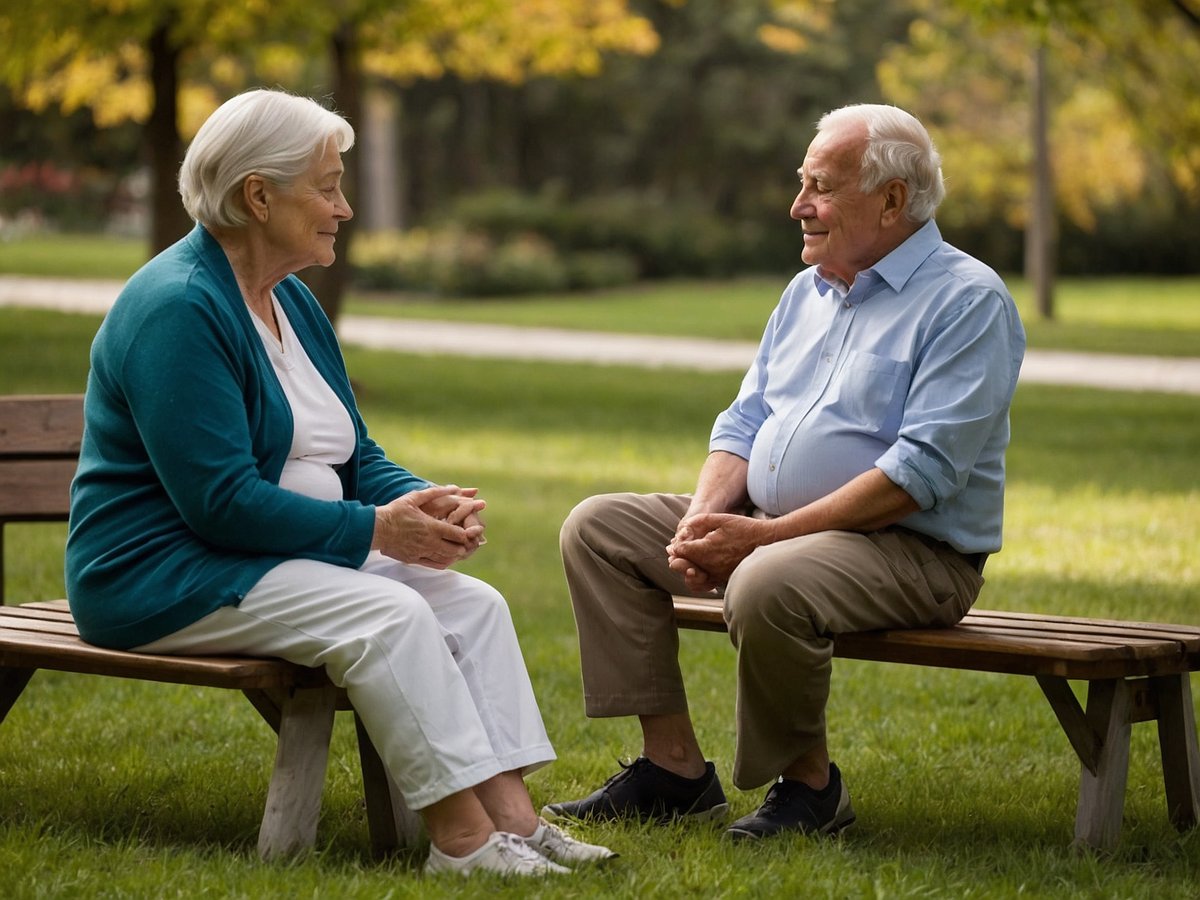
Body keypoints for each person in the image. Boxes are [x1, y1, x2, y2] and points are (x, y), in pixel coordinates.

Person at [65, 88, 613, 878]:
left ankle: (516, 823)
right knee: (389, 615)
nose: (344, 208)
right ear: (259, 196)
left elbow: (351, 454)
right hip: (163, 573)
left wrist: (421, 499)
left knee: (473, 605)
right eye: (326, 187)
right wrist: (379, 531)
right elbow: (219, 504)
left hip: (267, 558)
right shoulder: (178, 309)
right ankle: (462, 844)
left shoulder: (287, 298)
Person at [543, 103, 1026, 841]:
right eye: (803, 183)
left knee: (766, 580)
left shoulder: (968, 300)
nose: (798, 205)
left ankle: (811, 789)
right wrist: (702, 521)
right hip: (771, 528)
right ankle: (673, 771)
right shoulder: (807, 292)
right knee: (598, 529)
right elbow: (743, 423)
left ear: (892, 200)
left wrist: (762, 541)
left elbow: (919, 474)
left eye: (821, 187)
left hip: (914, 552)